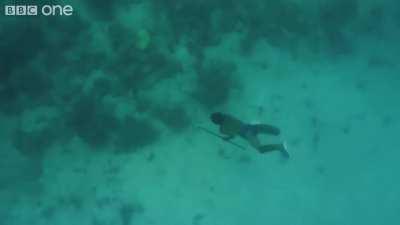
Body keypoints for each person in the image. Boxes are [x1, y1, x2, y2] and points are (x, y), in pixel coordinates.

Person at [210, 112, 289, 158]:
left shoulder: (223, 129)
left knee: (261, 149)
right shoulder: (227, 116)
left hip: (248, 135)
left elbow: (233, 135)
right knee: (272, 130)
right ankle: (277, 132)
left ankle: (279, 146)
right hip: (250, 127)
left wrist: (227, 138)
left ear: (217, 123)